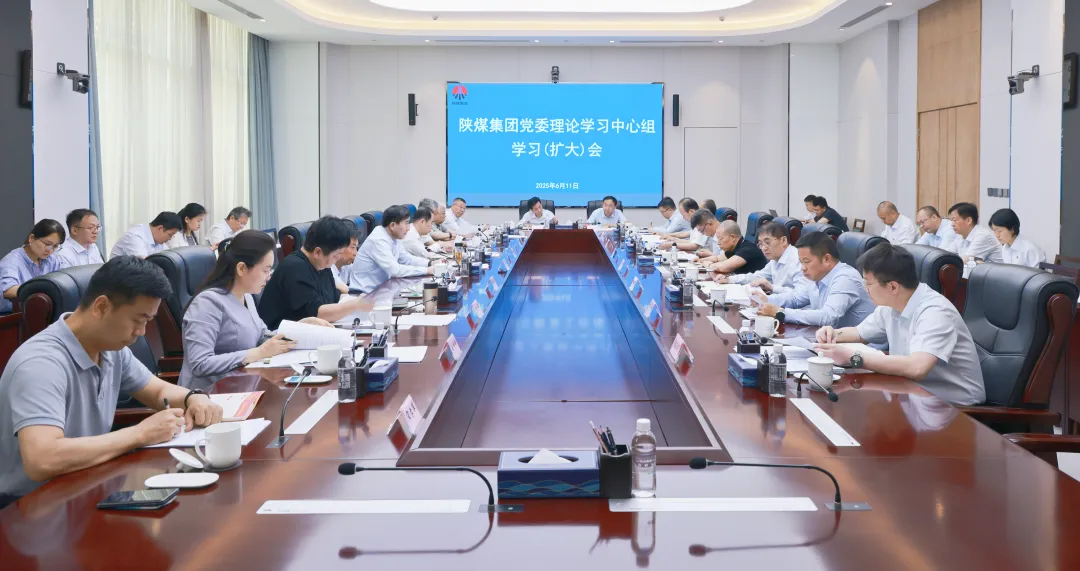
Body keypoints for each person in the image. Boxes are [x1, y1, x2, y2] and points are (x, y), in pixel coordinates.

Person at [0, 256, 224, 506]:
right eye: (138, 320)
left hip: (88, 484)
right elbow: (42, 460)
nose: (141, 332)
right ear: (101, 307)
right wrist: (140, 434)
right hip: (32, 506)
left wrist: (193, 397)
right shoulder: (41, 363)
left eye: (147, 322)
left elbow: (156, 390)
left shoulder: (110, 349)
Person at [815, 243, 986, 406]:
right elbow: (859, 333)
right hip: (913, 394)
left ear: (893, 287)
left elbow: (917, 367)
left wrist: (854, 358)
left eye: (868, 284)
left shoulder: (935, 311)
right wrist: (832, 333)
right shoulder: (892, 304)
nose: (865, 290)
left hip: (955, 407)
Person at [180, 231, 331, 390]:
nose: (268, 277)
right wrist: (257, 353)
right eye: (265, 270)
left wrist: (299, 328)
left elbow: (262, 337)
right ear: (242, 268)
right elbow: (200, 364)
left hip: (242, 385)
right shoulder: (207, 303)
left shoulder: (247, 296)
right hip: (208, 395)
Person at [257, 216, 374, 329]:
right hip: (278, 335)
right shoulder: (294, 268)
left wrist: (359, 298)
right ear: (318, 252)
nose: (338, 258)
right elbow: (316, 313)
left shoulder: (322, 265)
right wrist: (355, 304)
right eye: (336, 255)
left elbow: (335, 297)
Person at [753, 232, 875, 328]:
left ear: (827, 259)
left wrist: (780, 313)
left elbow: (827, 317)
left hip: (861, 347)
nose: (802, 268)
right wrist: (766, 300)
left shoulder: (845, 278)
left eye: (806, 262)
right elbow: (796, 299)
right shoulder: (817, 277)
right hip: (833, 339)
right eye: (801, 262)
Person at [349, 205, 433, 293]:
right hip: (365, 294)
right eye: (406, 223)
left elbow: (407, 259)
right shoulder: (378, 240)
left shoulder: (393, 237)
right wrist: (427, 271)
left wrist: (430, 263)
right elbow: (395, 270)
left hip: (382, 289)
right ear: (392, 225)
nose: (408, 228)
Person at [717, 222, 807, 295]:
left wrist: (771, 287)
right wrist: (730, 279)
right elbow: (757, 276)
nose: (763, 248)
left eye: (767, 242)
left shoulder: (798, 261)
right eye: (760, 244)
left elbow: (801, 296)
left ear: (783, 241)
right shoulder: (775, 259)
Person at [0, 220, 67, 314]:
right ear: (31, 238)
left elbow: (66, 279)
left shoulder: (52, 259)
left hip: (42, 311)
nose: (50, 250)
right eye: (47, 244)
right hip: (13, 315)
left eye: (55, 246)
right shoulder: (12, 261)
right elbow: (8, 290)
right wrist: (43, 289)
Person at [694, 214, 768, 276]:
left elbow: (723, 267)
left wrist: (708, 265)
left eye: (720, 239)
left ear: (732, 237)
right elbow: (717, 258)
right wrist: (700, 260)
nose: (718, 242)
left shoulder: (747, 250)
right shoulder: (734, 247)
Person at [110, 212, 182, 259]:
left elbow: (168, 259)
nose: (170, 238)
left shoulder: (159, 241)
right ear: (160, 228)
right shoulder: (135, 237)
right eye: (170, 235)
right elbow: (146, 266)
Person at [331, 220, 360, 294]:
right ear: (340, 246)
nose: (356, 253)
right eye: (353, 247)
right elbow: (345, 289)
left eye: (356, 248)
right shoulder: (328, 267)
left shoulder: (347, 265)